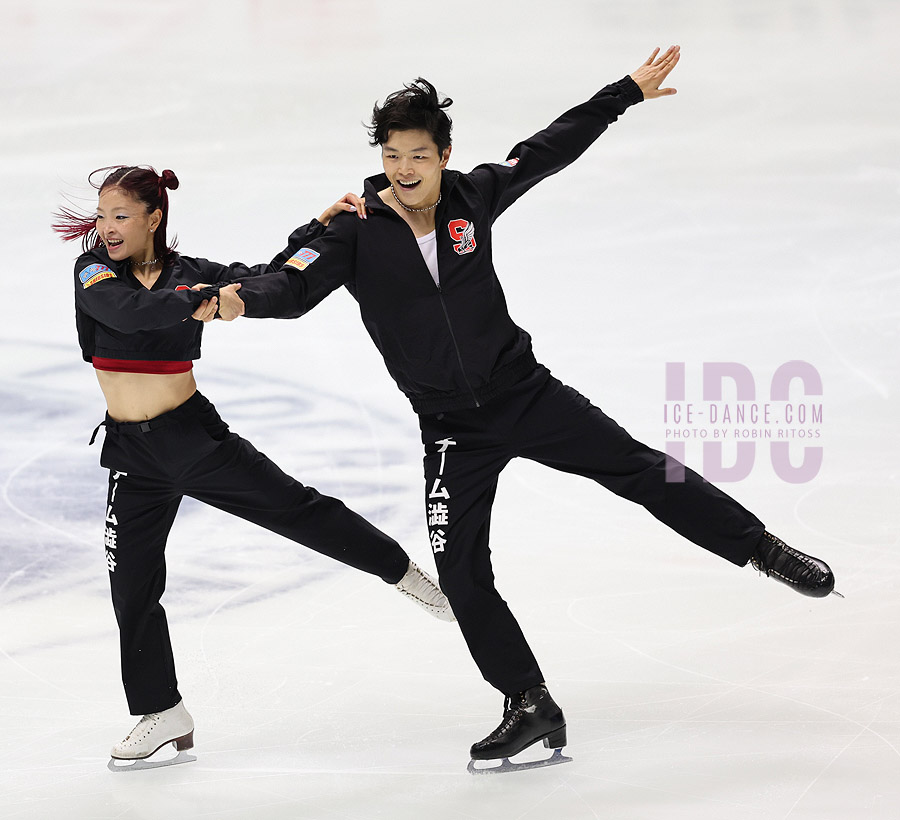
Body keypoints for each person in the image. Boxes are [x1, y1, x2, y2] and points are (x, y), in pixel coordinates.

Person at [216, 46, 838, 771]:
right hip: (451, 428)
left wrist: (623, 94)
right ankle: (530, 703)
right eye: (393, 155)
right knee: (461, 571)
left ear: (445, 155)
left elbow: (545, 150)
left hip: (525, 393)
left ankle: (762, 549)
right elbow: (286, 289)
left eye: (419, 154)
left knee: (643, 470)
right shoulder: (353, 231)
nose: (405, 169)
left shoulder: (472, 198)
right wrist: (240, 295)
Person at [53, 165, 454, 771]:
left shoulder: (194, 274)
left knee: (299, 512)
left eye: (120, 216)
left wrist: (317, 227)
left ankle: (402, 572)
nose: (106, 228)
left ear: (153, 218)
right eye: (103, 215)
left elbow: (270, 279)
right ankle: (160, 710)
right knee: (131, 587)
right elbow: (131, 313)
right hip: (132, 457)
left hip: (193, 439)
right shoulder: (93, 270)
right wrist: (204, 305)